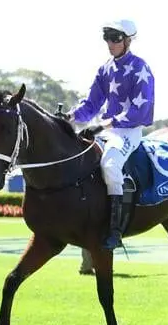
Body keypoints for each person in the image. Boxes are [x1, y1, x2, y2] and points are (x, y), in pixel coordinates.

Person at [66, 19, 155, 250]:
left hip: (129, 131)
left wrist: (110, 122)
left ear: (127, 40)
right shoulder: (105, 68)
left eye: (115, 38)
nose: (110, 43)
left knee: (110, 164)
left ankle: (115, 229)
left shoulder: (140, 67)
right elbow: (91, 104)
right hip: (106, 129)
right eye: (107, 37)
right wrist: (71, 117)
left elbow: (140, 110)